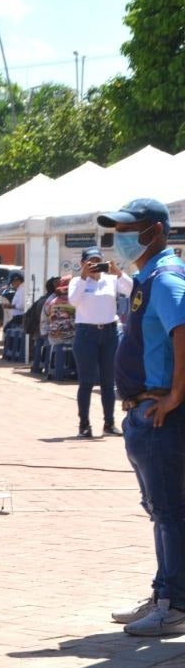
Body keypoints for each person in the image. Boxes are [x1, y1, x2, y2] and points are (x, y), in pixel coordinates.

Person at [98, 198, 185, 636]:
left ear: (154, 232)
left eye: (129, 229)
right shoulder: (145, 279)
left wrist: (174, 396)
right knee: (160, 511)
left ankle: (174, 604)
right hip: (143, 413)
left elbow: (182, 330)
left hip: (159, 415)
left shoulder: (166, 279)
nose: (121, 238)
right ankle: (163, 592)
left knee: (170, 512)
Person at [69, 247, 133, 438]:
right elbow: (73, 301)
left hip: (109, 332)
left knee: (108, 381)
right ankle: (84, 424)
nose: (95, 265)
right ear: (82, 264)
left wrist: (118, 272)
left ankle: (109, 423)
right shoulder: (77, 281)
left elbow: (130, 289)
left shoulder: (111, 281)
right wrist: (83, 277)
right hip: (86, 333)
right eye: (90, 262)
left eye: (98, 261)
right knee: (87, 381)